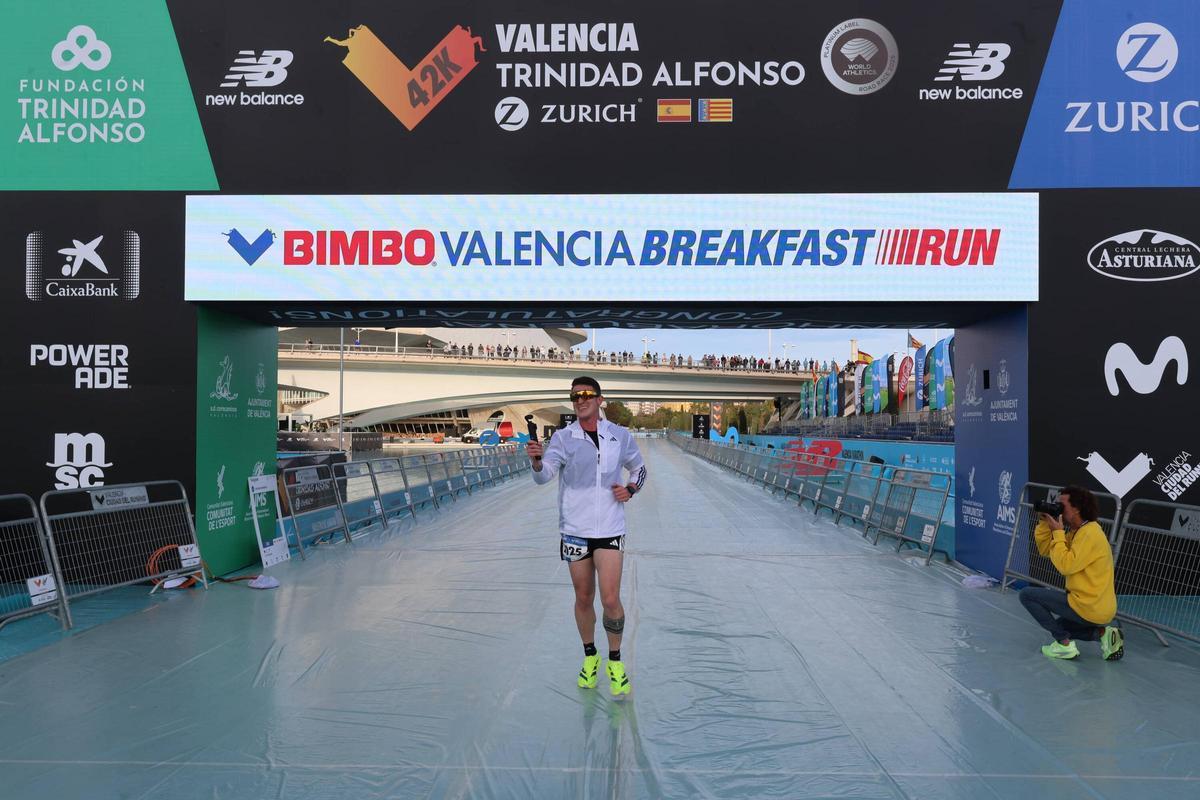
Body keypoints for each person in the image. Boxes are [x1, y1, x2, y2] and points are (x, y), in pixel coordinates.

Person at [526, 376, 647, 697]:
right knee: (583, 598)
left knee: (610, 599)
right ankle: (590, 656)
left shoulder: (619, 436)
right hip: (575, 531)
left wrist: (631, 489)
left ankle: (615, 661)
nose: (580, 400)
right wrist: (537, 462)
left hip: (610, 528)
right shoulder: (563, 438)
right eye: (575, 396)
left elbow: (639, 469)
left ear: (599, 399)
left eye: (586, 395)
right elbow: (545, 476)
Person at [1019, 486, 1123, 661]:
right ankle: (1104, 633)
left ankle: (1064, 645)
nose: (1058, 508)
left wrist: (1058, 532)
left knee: (1027, 595)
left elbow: (1066, 566)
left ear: (1076, 508)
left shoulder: (1090, 534)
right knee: (1058, 625)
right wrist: (1046, 523)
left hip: (1088, 605)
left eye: (1062, 505)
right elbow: (1045, 550)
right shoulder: (1078, 532)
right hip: (1092, 605)